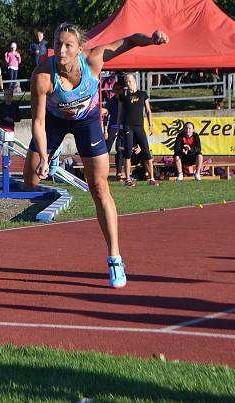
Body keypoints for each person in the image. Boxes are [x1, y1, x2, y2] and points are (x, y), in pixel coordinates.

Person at [25, 22, 168, 289]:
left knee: (100, 188)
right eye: (57, 43)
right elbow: (38, 121)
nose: (62, 50)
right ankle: (54, 157)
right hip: (54, 123)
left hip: (86, 121)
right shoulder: (43, 75)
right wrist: (44, 157)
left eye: (68, 45)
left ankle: (115, 257)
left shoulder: (94, 59)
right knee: (30, 179)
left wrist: (151, 38)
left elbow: (129, 40)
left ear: (80, 48)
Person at [119, 73, 158, 187]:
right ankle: (128, 179)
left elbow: (148, 110)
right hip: (128, 127)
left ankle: (151, 178)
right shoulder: (123, 96)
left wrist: (150, 124)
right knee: (128, 153)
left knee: (146, 152)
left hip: (139, 127)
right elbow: (120, 113)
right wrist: (118, 126)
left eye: (129, 81)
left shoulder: (142, 94)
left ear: (135, 81)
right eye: (126, 82)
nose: (128, 83)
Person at [0, 88, 20, 174]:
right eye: (6, 94)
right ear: (4, 96)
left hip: (10, 131)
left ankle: (6, 170)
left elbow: (19, 118)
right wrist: (4, 118)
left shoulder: (15, 106)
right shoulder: (0, 106)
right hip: (0, 130)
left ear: (12, 96)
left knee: (9, 152)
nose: (8, 96)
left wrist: (12, 119)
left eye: (10, 94)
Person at [103, 81, 125, 180]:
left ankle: (119, 172)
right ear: (113, 90)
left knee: (120, 150)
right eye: (116, 89)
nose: (118, 91)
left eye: (120, 89)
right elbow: (105, 116)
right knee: (105, 149)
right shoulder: (111, 101)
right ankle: (102, 171)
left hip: (123, 128)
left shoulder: (126, 101)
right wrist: (105, 130)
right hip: (112, 126)